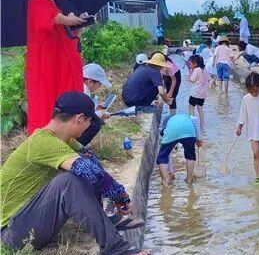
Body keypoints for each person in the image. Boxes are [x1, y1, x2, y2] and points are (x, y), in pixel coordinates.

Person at [0, 92, 148, 255]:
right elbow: (87, 171)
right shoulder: (41, 142)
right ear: (79, 119)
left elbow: (93, 165)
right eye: (89, 122)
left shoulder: (65, 141)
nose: (88, 127)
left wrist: (116, 198)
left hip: (28, 222)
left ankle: (106, 218)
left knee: (82, 169)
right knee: (69, 181)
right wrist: (121, 196)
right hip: (11, 233)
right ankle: (117, 249)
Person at [25, 0, 88, 134]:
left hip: (58, 66)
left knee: (61, 105)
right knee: (46, 103)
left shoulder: (53, 5)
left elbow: (59, 31)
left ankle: (61, 139)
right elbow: (47, 20)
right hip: (46, 67)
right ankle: (45, 143)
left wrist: (76, 27)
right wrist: (67, 19)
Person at [157, 113, 202, 186]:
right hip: (189, 131)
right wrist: (198, 139)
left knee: (162, 157)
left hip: (172, 132)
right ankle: (189, 179)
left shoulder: (167, 120)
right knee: (190, 156)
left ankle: (166, 180)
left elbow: (168, 154)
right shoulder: (188, 117)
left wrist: (170, 171)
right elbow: (195, 121)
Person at [78, 63, 113, 147]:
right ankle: (77, 146)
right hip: (71, 125)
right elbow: (84, 116)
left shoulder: (78, 86)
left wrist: (96, 109)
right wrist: (101, 113)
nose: (100, 87)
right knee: (96, 123)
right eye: (99, 84)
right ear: (90, 81)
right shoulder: (84, 91)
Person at [187, 54, 208, 129]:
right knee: (200, 108)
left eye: (190, 64)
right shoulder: (204, 69)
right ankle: (202, 125)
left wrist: (190, 72)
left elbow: (192, 80)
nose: (190, 65)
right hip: (203, 93)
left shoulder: (196, 70)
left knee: (191, 107)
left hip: (195, 93)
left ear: (195, 63)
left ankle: (192, 124)